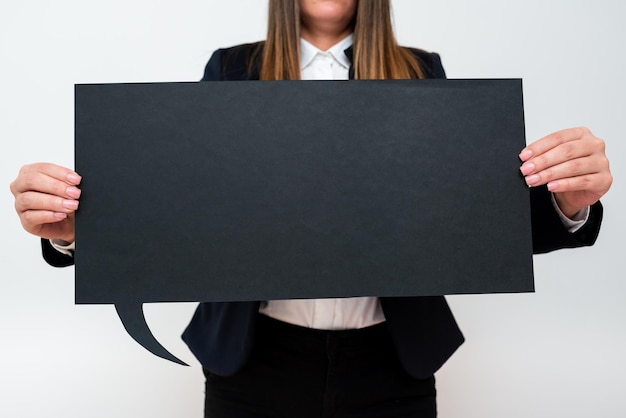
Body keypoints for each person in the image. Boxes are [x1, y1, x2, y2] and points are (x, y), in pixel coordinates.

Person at [9, 1, 613, 417]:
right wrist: (72, 231)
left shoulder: (421, 72)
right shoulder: (231, 69)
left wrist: (567, 202)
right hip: (252, 361)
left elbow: (462, 216)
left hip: (392, 361)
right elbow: (187, 205)